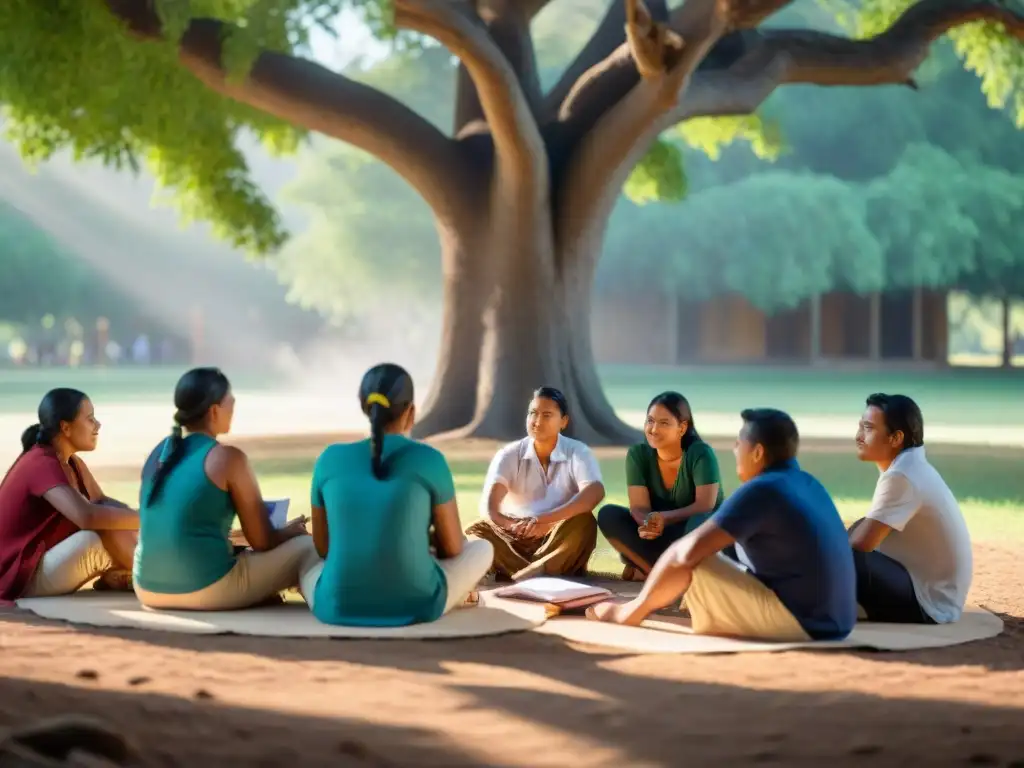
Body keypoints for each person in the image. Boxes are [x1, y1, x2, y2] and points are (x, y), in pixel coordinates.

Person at [587, 408, 856, 643]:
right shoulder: (808, 483)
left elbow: (684, 554)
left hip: (802, 625)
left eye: (740, 444)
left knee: (694, 555)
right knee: (717, 548)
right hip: (837, 623)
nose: (735, 450)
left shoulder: (763, 489)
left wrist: (629, 609)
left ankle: (631, 612)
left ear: (758, 452)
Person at [299, 363, 493, 626]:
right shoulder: (430, 459)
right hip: (419, 603)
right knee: (483, 549)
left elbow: (323, 548)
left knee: (305, 561)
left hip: (337, 605)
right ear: (410, 412)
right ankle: (457, 595)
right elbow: (453, 548)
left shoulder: (329, 459)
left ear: (364, 407)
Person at [133, 367, 315, 611]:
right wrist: (292, 531)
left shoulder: (160, 453)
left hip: (146, 588)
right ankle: (328, 606)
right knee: (308, 547)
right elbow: (262, 541)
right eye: (230, 398)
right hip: (206, 589)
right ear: (214, 410)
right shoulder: (227, 458)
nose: (234, 403)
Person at [0, 388, 138, 602]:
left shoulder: (71, 463)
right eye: (90, 419)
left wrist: (142, 520)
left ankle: (128, 574)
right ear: (65, 427)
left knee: (116, 519)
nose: (97, 425)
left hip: (40, 567)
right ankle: (147, 576)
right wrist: (148, 518)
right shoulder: (41, 462)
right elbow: (87, 517)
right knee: (96, 534)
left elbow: (104, 503)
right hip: (19, 577)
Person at [850, 393, 972, 624]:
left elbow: (861, 545)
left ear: (896, 438)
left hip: (929, 604)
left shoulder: (902, 476)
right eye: (860, 427)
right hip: (931, 592)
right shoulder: (908, 465)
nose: (858, 436)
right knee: (844, 538)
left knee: (839, 552)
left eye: (868, 428)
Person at [465, 387, 605, 581]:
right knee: (476, 531)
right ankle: (539, 572)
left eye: (547, 415)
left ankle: (527, 572)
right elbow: (490, 508)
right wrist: (513, 526)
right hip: (514, 537)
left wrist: (544, 521)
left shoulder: (578, 452)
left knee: (584, 522)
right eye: (533, 413)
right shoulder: (509, 454)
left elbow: (594, 492)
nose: (537, 421)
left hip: (557, 535)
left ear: (563, 421)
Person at [597, 392, 724, 581]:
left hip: (694, 532)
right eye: (650, 421)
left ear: (682, 428)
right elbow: (640, 508)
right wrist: (647, 524)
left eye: (664, 423)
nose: (653, 429)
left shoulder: (700, 453)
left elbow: (705, 506)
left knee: (700, 521)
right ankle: (667, 575)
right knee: (608, 515)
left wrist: (664, 518)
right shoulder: (638, 454)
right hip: (661, 536)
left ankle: (648, 569)